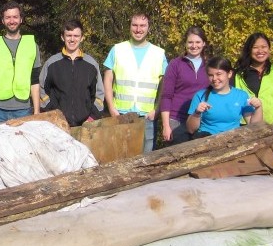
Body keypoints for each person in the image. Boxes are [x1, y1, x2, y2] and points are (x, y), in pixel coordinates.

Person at [103, 12, 168, 152]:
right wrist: (111, 108)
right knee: (119, 157)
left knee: (146, 160)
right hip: (121, 114)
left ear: (148, 27)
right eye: (135, 25)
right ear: (130, 26)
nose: (138, 29)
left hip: (147, 117)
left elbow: (164, 85)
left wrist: (156, 110)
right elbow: (107, 79)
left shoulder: (158, 53)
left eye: (142, 26)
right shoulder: (117, 49)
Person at [0, 1, 41, 126]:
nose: (11, 21)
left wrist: (36, 111)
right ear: (3, 20)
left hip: (23, 109)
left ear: (21, 19)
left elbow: (34, 82)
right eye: (8, 17)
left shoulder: (32, 45)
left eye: (15, 17)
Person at [38, 19, 104, 127]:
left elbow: (99, 95)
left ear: (82, 37)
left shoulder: (91, 64)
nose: (72, 39)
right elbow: (42, 91)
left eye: (76, 36)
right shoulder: (51, 63)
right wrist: (54, 115)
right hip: (58, 125)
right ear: (62, 37)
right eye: (68, 35)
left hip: (86, 126)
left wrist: (92, 118)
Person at [234, 32, 273, 134]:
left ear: (269, 49)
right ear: (249, 50)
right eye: (255, 47)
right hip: (244, 129)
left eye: (264, 47)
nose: (260, 51)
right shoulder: (238, 73)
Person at [186, 57, 263, 138]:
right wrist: (197, 113)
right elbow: (190, 129)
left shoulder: (241, 95)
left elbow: (253, 125)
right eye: (210, 75)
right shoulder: (200, 95)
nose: (214, 79)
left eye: (218, 74)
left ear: (229, 74)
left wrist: (258, 108)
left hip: (233, 139)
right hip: (206, 139)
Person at [159, 26, 209, 144]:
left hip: (201, 120)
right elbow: (166, 96)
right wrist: (166, 125)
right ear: (185, 44)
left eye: (198, 42)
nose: (194, 46)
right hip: (176, 120)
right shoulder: (175, 64)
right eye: (190, 42)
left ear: (204, 43)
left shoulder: (210, 65)